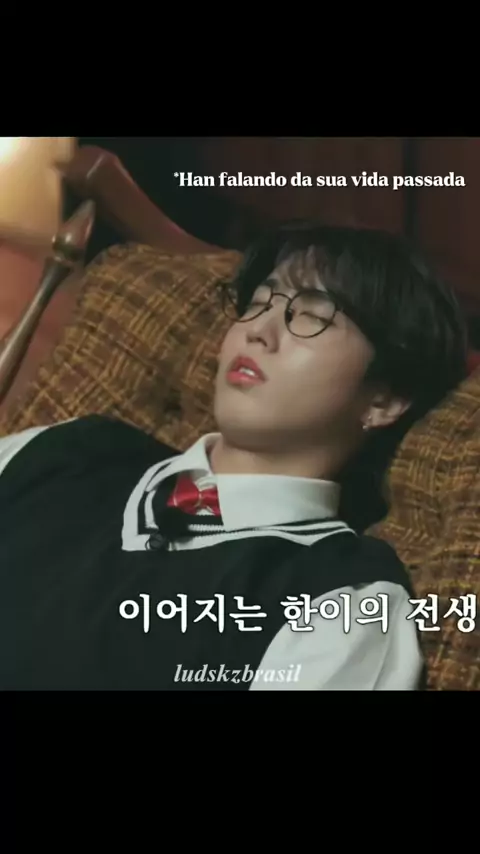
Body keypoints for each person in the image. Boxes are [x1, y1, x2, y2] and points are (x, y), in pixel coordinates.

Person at [0, 222, 467, 691]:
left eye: (311, 316)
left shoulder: (341, 605)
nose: (258, 331)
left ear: (383, 400)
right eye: (259, 303)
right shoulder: (68, 449)